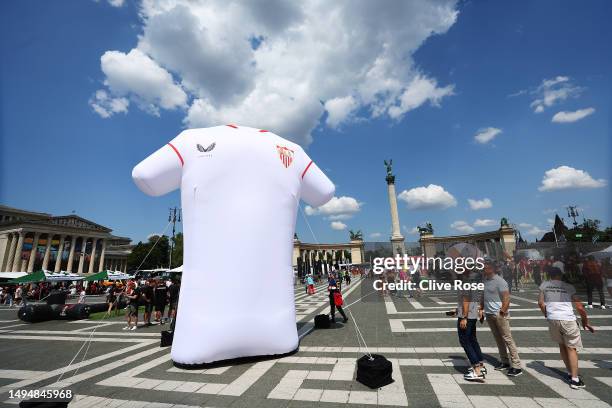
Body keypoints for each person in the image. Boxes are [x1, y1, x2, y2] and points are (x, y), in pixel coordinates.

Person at [538, 267, 594, 389]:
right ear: (560, 275)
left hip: (553, 319)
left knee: (562, 345)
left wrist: (547, 315)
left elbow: (541, 303)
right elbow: (579, 307)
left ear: (550, 276)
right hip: (567, 319)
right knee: (572, 348)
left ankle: (569, 373)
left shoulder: (544, 285)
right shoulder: (568, 286)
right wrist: (585, 322)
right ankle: (575, 379)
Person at [481, 259, 523, 376]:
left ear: (492, 269)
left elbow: (506, 297)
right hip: (489, 314)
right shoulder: (485, 280)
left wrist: (502, 311)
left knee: (507, 339)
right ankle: (504, 361)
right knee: (498, 339)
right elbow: (483, 295)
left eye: (485, 267)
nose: (483, 269)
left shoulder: (500, 281)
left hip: (499, 314)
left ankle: (517, 365)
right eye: (483, 267)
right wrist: (481, 308)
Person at [455, 270, 486, 381]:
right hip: (473, 314)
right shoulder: (473, 281)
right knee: (472, 339)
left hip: (467, 316)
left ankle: (476, 369)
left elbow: (466, 300)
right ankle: (481, 365)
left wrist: (463, 317)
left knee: (465, 341)